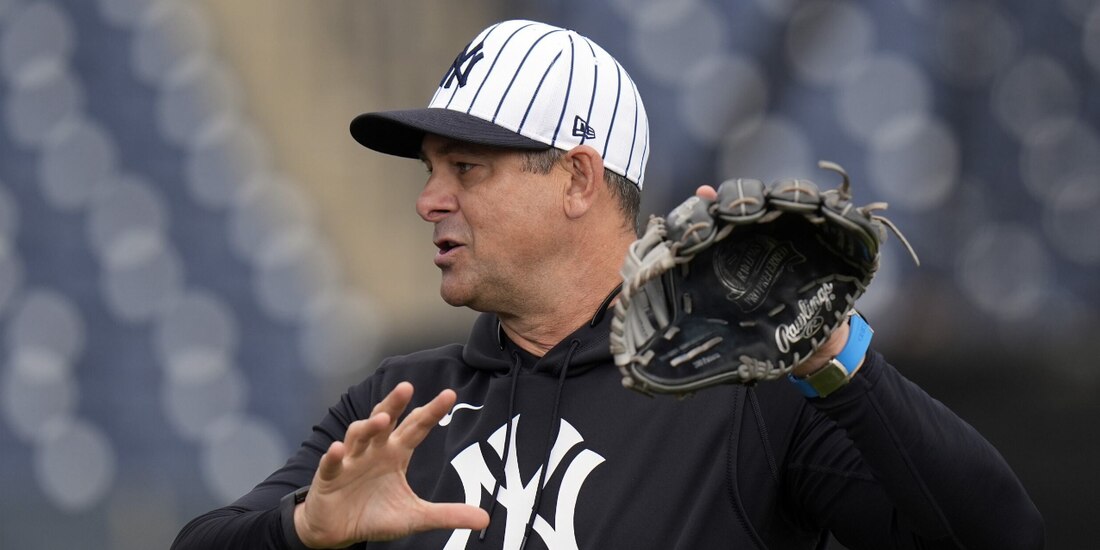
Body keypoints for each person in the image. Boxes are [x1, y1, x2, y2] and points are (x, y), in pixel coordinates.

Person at [172, 19, 1043, 550]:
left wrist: (831, 351)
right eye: (432, 170)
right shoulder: (403, 406)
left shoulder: (749, 394)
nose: (428, 199)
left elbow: (995, 534)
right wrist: (300, 533)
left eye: (467, 169)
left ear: (579, 181)